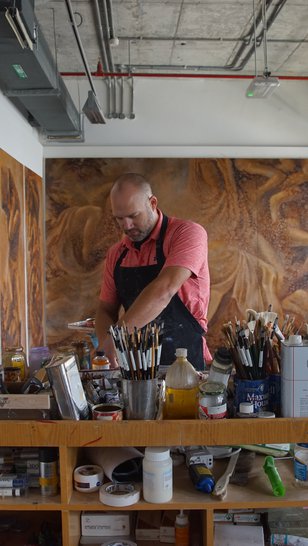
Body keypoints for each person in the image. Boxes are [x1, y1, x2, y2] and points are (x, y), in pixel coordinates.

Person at [96, 173, 211, 370]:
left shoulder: (187, 233)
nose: (126, 226)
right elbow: (105, 309)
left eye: (133, 216)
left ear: (153, 203)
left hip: (185, 365)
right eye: (119, 219)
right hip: (136, 369)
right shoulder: (116, 254)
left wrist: (117, 338)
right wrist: (106, 344)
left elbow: (164, 289)